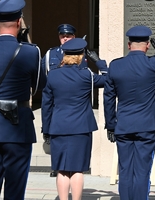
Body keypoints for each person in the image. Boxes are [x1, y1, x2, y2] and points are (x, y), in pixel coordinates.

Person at [0, 0, 46, 199]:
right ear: (20, 21)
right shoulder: (31, 52)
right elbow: (40, 85)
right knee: (15, 191)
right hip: (18, 129)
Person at [103, 25, 155, 200]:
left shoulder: (116, 65)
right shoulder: (154, 64)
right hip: (147, 125)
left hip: (123, 124)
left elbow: (108, 98)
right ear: (148, 45)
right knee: (142, 171)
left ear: (128, 45)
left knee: (125, 170)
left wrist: (110, 125)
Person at [41, 38, 107, 200]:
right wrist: (99, 63)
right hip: (81, 128)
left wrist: (46, 128)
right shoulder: (86, 75)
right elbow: (108, 79)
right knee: (77, 169)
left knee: (62, 169)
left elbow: (46, 105)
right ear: (81, 56)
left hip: (59, 127)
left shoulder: (53, 75)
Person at [41, 23, 77, 177]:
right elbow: (43, 78)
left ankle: (73, 166)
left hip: (73, 101)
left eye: (68, 36)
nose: (65, 38)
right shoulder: (51, 54)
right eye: (63, 36)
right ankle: (56, 166)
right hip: (54, 101)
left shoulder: (79, 53)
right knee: (56, 138)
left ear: (74, 37)